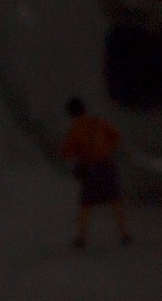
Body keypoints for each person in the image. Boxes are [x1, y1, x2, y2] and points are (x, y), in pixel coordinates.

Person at [59, 96, 133, 248]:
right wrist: (106, 148)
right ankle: (124, 233)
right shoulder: (98, 122)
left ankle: (81, 237)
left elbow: (66, 152)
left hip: (90, 169)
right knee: (114, 200)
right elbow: (116, 136)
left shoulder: (75, 129)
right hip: (107, 165)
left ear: (71, 113)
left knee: (86, 204)